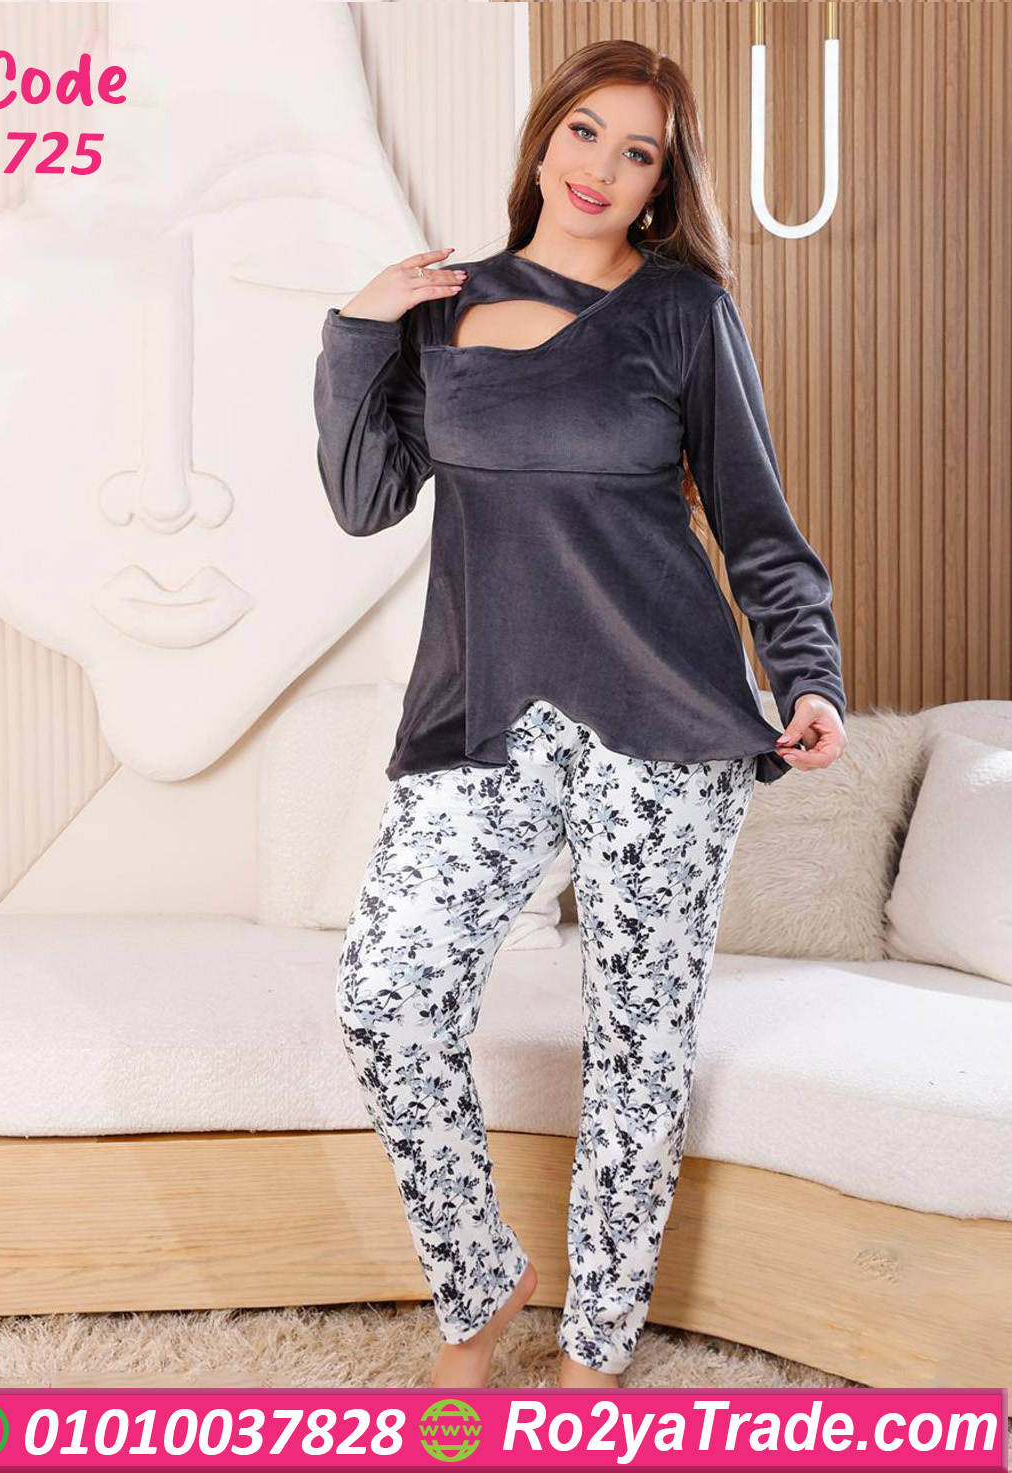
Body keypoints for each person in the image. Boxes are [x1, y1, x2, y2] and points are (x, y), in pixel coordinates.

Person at [313, 38, 847, 1391]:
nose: (602, 167)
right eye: (586, 131)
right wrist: (359, 326)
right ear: (544, 136)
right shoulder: (442, 308)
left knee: (639, 1044)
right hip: (482, 714)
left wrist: (808, 672)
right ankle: (479, 1284)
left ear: (664, 182)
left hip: (664, 718)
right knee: (387, 994)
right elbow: (366, 498)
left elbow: (757, 525)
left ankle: (597, 1351)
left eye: (639, 151)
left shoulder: (684, 312)